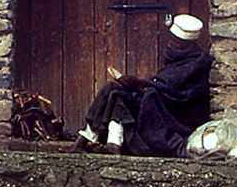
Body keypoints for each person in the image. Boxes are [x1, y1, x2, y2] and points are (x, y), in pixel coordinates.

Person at [74, 14, 211, 157]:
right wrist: (141, 84)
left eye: (176, 42)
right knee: (111, 88)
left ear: (187, 45)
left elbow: (177, 90)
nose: (170, 45)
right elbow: (163, 84)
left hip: (173, 113)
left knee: (121, 96)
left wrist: (140, 84)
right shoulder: (178, 58)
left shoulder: (198, 62)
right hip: (160, 100)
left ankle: (114, 144)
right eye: (170, 40)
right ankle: (83, 140)